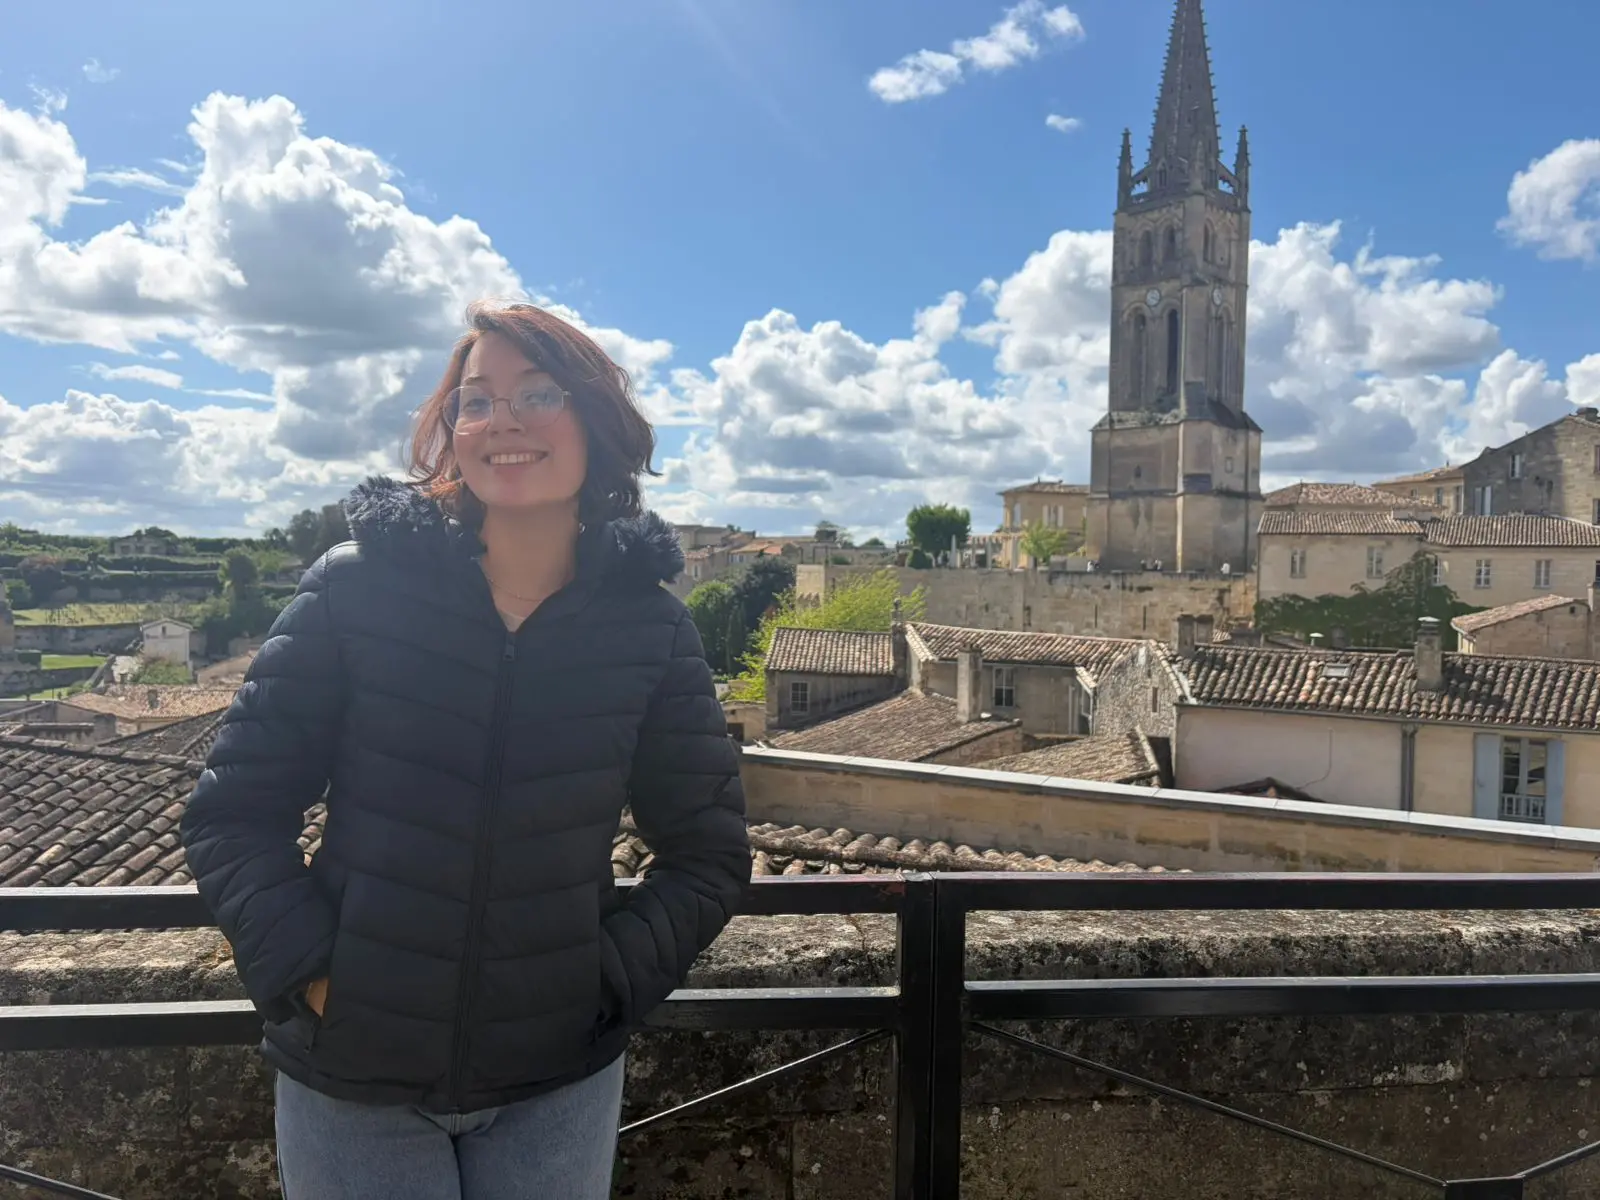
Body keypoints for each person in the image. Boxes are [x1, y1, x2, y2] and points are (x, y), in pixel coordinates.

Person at [180, 301, 751, 1199]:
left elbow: (708, 854)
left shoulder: (651, 631)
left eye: (538, 393)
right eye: (475, 402)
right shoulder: (358, 590)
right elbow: (232, 811)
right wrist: (311, 974)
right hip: (353, 1079)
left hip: (555, 1083)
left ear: (595, 423)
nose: (502, 421)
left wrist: (600, 986)